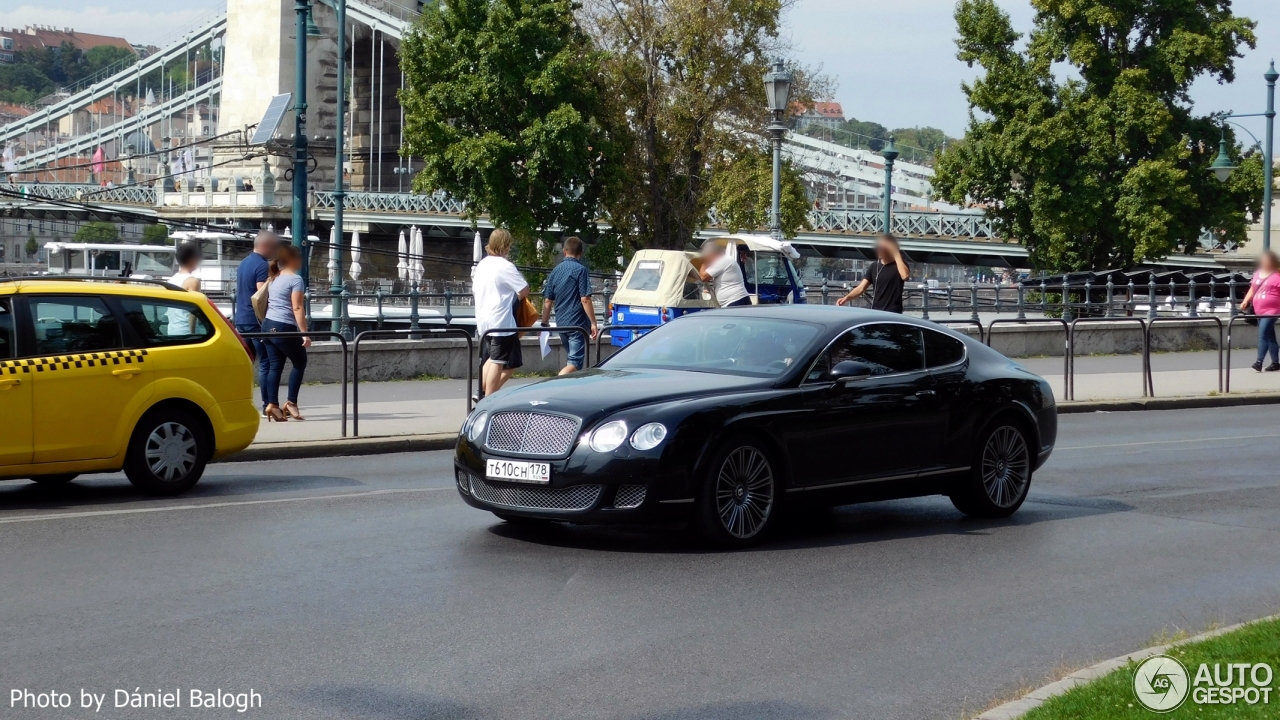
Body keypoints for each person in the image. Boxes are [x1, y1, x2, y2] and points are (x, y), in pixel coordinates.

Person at [473, 229, 529, 395]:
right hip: (501, 321)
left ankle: (480, 393)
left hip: (484, 321)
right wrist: (515, 298)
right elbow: (524, 289)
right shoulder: (505, 266)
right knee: (498, 361)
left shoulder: (482, 264)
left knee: (491, 358)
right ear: (506, 246)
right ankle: (488, 399)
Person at [262, 243, 310, 422]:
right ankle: (291, 403)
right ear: (292, 260)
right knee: (300, 361)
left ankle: (272, 405)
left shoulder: (274, 277)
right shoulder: (295, 279)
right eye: (299, 257)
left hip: (267, 326)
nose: (301, 261)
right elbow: (297, 307)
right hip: (283, 326)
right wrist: (305, 333)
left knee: (275, 365)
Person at [235, 231, 280, 414]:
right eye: (274, 246)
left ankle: (241, 403)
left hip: (241, 320)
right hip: (255, 322)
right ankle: (266, 405)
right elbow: (260, 297)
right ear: (266, 245)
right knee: (266, 363)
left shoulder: (243, 263)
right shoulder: (262, 265)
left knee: (247, 364)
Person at [540, 236, 598, 374]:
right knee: (575, 362)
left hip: (561, 323)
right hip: (577, 324)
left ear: (564, 251)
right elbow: (585, 299)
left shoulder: (555, 271)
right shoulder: (581, 270)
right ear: (581, 253)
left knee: (570, 360)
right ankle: (556, 384)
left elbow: (548, 300)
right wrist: (594, 323)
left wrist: (544, 324)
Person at [836, 234, 910, 313]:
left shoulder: (900, 265)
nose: (879, 250)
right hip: (876, 311)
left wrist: (895, 252)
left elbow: (905, 276)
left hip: (893, 313)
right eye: (879, 247)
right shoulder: (874, 266)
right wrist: (846, 298)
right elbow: (861, 288)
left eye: (883, 248)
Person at [1240, 250, 1280, 372]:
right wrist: (1245, 301)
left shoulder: (1277, 275)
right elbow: (1253, 288)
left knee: (1262, 334)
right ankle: (1276, 362)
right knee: (1270, 337)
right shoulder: (1258, 273)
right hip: (1259, 310)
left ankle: (1259, 361)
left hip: (1272, 310)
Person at [698, 240, 751, 308]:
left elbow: (703, 277)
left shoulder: (724, 260)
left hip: (736, 301)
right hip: (733, 302)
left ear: (713, 254)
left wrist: (704, 262)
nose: (709, 260)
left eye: (708, 257)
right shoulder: (724, 260)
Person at [166, 241, 202, 336]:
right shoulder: (192, 282)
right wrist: (193, 334)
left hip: (172, 330)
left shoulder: (171, 280)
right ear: (191, 259)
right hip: (186, 331)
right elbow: (193, 312)